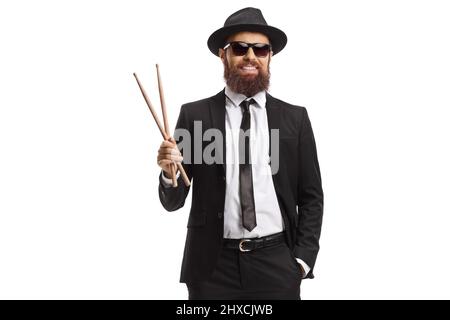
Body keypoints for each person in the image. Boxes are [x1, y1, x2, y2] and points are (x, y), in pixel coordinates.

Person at [157, 7, 323, 300]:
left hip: (277, 264)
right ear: (224, 55)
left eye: (260, 49)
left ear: (270, 56)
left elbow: (311, 197)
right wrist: (170, 175)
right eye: (240, 48)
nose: (251, 56)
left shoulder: (294, 119)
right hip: (211, 268)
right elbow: (174, 202)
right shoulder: (195, 115)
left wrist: (301, 260)